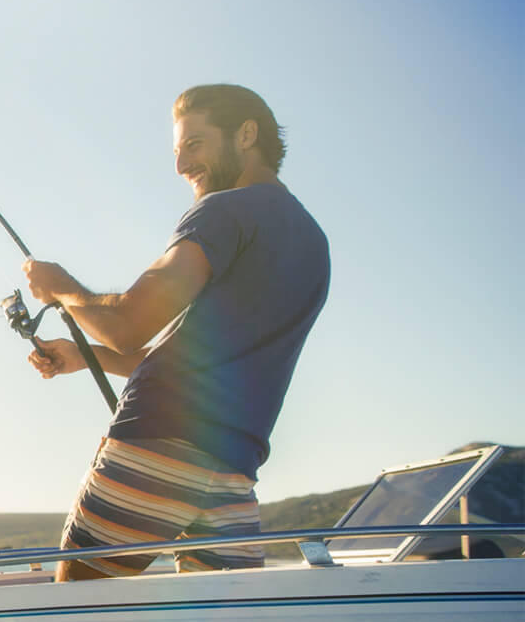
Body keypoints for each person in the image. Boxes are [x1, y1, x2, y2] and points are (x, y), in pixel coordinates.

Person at [23, 84, 330, 581]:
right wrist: (85, 357)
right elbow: (210, 358)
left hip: (157, 443)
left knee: (78, 620)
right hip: (232, 472)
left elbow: (127, 324)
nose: (181, 167)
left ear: (246, 134)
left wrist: (60, 288)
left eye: (195, 145)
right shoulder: (314, 243)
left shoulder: (224, 211)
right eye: (177, 151)